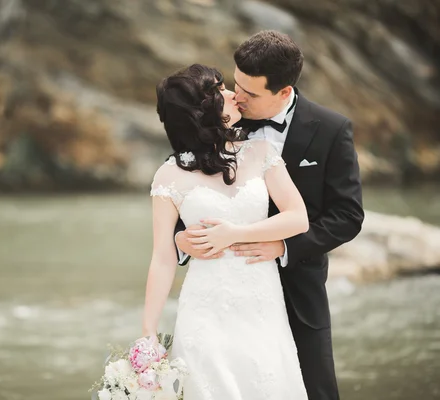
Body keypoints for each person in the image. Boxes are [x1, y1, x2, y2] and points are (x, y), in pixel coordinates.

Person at [175, 31, 365, 400]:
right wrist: (180, 240)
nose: (237, 98)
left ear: (283, 92)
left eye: (251, 93)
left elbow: (347, 214)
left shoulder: (331, 129)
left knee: (314, 391)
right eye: (236, 85)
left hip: (299, 290)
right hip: (224, 294)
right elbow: (184, 192)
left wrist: (283, 245)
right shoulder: (220, 121)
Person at [142, 63, 309, 399]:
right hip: (204, 310)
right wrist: (148, 331)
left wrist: (234, 233)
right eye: (221, 90)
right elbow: (162, 256)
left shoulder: (261, 152)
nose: (234, 94)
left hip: (262, 306)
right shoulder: (168, 176)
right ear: (202, 110)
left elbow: (297, 218)